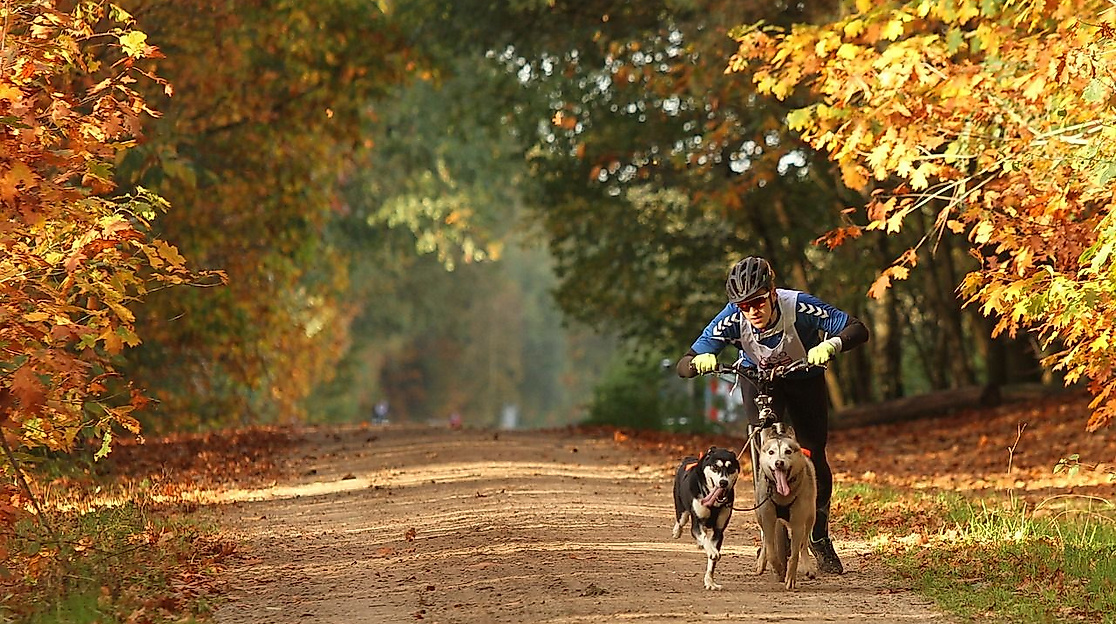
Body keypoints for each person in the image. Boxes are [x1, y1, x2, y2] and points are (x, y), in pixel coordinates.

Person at [676, 256, 869, 574]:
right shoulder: (731, 319)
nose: (752, 310)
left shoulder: (800, 307)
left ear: (773, 293)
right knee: (762, 455)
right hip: (757, 380)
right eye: (744, 305)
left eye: (758, 301)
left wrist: (833, 344)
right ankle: (770, 537)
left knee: (812, 454)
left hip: (803, 379)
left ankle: (818, 536)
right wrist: (699, 362)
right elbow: (686, 361)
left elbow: (858, 329)